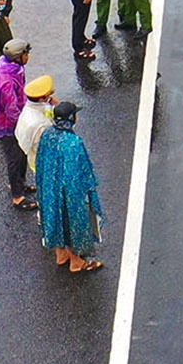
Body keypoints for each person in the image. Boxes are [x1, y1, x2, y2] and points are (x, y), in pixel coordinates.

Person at [35, 101, 105, 273]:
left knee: (54, 220)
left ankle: (61, 254)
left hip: (49, 189)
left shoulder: (47, 134)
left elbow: (41, 162)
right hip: (68, 193)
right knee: (71, 223)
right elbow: (80, 172)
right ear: (72, 118)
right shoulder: (73, 142)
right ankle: (77, 262)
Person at [0, 38, 37, 210]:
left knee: (22, 153)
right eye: (26, 54)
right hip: (8, 125)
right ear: (18, 57)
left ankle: (21, 182)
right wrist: (23, 124)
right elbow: (11, 108)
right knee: (14, 158)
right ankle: (17, 196)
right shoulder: (7, 81)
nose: (28, 57)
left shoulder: (13, 68)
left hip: (15, 120)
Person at [15, 73, 56, 175]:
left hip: (33, 155)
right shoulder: (40, 124)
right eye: (48, 95)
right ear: (41, 98)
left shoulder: (29, 108)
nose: (50, 96)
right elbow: (48, 145)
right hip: (44, 161)